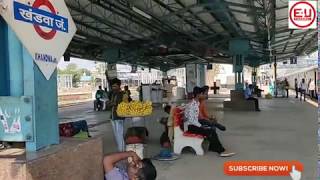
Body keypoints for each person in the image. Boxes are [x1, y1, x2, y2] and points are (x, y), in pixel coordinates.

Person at [184, 87, 235, 157]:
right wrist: (201, 126)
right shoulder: (192, 105)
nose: (204, 95)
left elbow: (193, 117)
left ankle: (213, 147)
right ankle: (221, 151)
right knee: (210, 131)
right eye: (202, 94)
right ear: (198, 94)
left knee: (210, 128)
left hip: (195, 124)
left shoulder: (197, 103)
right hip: (192, 127)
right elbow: (191, 120)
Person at [106, 78, 125, 151]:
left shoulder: (122, 94)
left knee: (119, 135)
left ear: (119, 86)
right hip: (113, 116)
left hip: (119, 117)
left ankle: (122, 151)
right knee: (116, 135)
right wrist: (110, 103)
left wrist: (110, 103)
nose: (113, 88)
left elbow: (119, 103)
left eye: (115, 86)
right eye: (112, 86)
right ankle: (120, 150)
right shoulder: (113, 94)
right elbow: (112, 103)